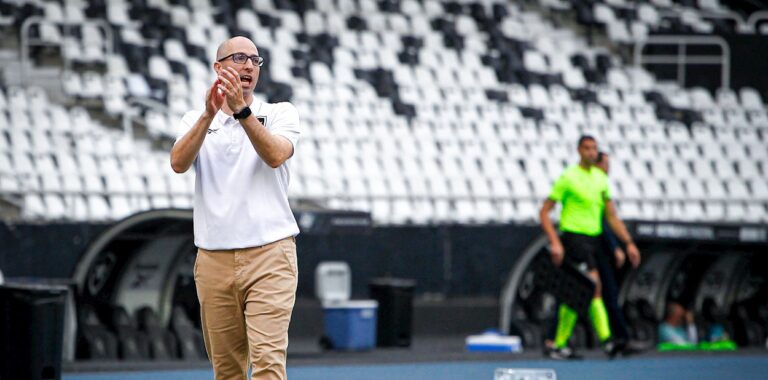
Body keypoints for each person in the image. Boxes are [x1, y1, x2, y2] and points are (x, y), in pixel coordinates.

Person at [170, 36, 301, 379]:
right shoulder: (195, 119)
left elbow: (274, 155)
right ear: (218, 68)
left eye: (255, 61)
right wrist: (208, 114)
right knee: (226, 371)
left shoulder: (278, 113)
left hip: (269, 255)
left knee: (268, 365)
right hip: (214, 259)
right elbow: (178, 163)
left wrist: (241, 111)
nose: (248, 66)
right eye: (239, 57)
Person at [539, 136, 641, 360]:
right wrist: (555, 241)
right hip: (574, 238)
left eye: (594, 148)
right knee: (591, 287)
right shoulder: (568, 177)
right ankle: (606, 341)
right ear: (579, 150)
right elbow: (544, 212)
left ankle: (560, 344)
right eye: (587, 148)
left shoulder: (600, 179)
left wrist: (628, 243)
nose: (592, 152)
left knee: (578, 292)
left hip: (594, 241)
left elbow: (611, 216)